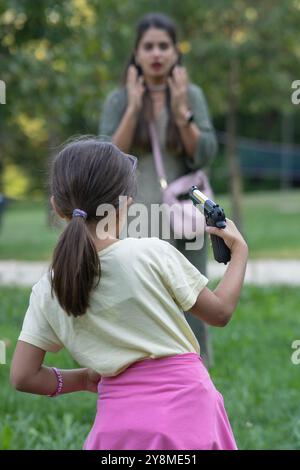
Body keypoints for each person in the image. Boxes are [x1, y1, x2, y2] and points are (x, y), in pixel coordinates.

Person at [11, 138, 248, 450]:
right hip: (189, 417)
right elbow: (219, 313)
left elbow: (23, 376)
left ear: (56, 206)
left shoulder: (48, 289)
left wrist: (82, 379)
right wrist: (240, 250)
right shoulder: (151, 254)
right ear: (126, 203)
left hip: (118, 430)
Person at [99, 13, 218, 367]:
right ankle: (142, 369)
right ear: (136, 53)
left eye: (163, 46)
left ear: (175, 52)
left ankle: (195, 370)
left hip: (184, 218)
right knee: (137, 296)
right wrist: (135, 108)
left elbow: (206, 153)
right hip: (134, 216)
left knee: (191, 295)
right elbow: (107, 156)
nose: (156, 54)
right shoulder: (118, 100)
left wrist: (182, 112)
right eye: (148, 46)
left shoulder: (191, 95)